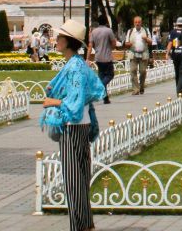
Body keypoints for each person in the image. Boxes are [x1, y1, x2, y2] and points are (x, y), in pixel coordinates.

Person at [40, 19, 106, 231]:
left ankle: (81, 226)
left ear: (68, 41)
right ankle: (85, 225)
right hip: (80, 126)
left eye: (59, 37)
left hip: (73, 126)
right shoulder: (76, 64)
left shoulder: (75, 68)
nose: (56, 40)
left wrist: (53, 101)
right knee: (79, 179)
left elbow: (75, 104)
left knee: (73, 182)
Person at [88, 17, 119, 105]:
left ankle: (106, 98)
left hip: (98, 57)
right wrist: (110, 47)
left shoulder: (94, 32)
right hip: (107, 57)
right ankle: (99, 86)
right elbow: (114, 43)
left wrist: (88, 58)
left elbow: (90, 45)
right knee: (110, 75)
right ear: (106, 22)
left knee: (102, 76)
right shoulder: (109, 31)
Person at [125, 16, 153, 95]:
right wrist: (129, 44)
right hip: (133, 54)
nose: (137, 23)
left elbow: (151, 42)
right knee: (133, 71)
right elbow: (126, 43)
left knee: (143, 71)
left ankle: (141, 87)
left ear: (141, 23)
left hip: (144, 54)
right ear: (134, 23)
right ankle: (135, 89)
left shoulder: (146, 31)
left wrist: (146, 39)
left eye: (139, 22)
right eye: (136, 22)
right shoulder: (130, 31)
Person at [167, 17, 182, 93]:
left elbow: (170, 43)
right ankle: (179, 89)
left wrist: (167, 53)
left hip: (175, 54)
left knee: (177, 72)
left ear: (177, 24)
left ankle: (178, 87)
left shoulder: (172, 32)